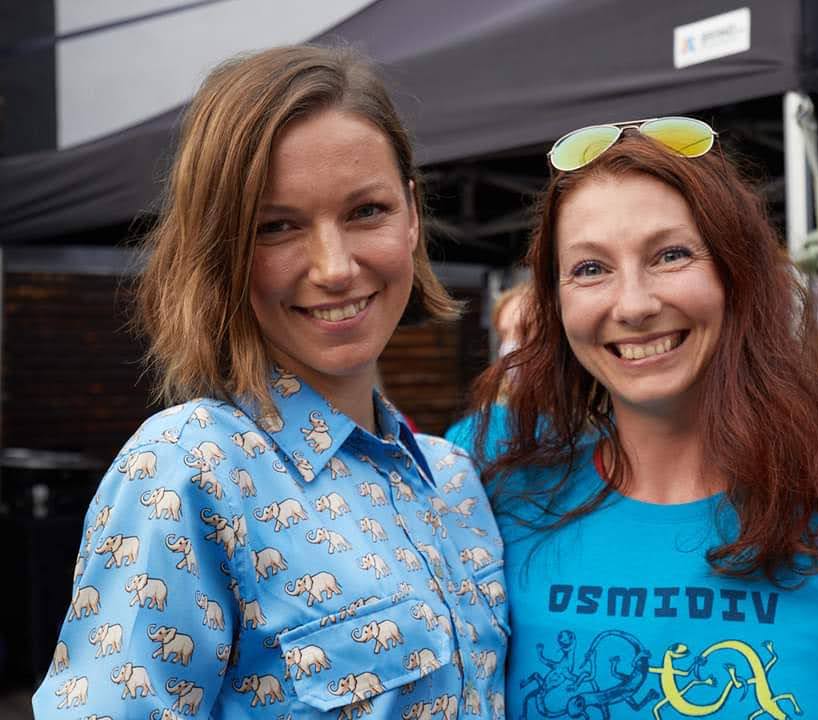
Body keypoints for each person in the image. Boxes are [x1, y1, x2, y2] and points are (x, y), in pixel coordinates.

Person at [33, 46, 507, 720]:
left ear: (411, 214)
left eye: (366, 211)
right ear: (221, 250)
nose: (334, 267)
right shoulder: (189, 469)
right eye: (277, 226)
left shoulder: (456, 480)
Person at [466, 119, 818, 718]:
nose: (635, 304)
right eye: (590, 268)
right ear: (556, 300)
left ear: (735, 272)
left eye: (671, 255)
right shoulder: (493, 496)